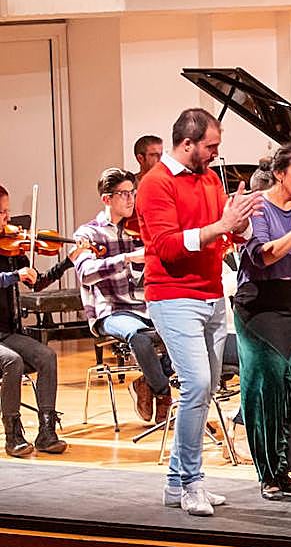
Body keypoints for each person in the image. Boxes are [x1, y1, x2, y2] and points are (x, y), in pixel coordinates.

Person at [137, 108, 261, 516]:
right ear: (186, 143)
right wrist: (222, 223)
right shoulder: (155, 185)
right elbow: (169, 246)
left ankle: (177, 483)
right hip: (174, 296)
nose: (215, 154)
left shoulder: (209, 178)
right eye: (211, 146)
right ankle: (191, 482)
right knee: (195, 385)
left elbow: (222, 234)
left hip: (210, 293)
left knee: (205, 389)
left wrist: (239, 223)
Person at [235, 146, 291, 500]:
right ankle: (268, 473)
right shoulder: (258, 206)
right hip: (260, 304)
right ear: (280, 174)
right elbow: (262, 256)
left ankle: (289, 466)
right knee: (268, 384)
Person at [74, 168, 173, 424]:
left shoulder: (140, 228)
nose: (131, 200)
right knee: (138, 338)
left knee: (185, 330)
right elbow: (85, 273)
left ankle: (147, 381)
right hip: (111, 310)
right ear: (107, 199)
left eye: (133, 193)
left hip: (146, 306)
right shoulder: (88, 234)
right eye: (124, 194)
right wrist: (126, 258)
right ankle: (163, 393)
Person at [0, 184, 66, 458]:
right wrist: (15, 276)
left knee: (46, 356)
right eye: (1, 213)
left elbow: (37, 283)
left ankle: (47, 431)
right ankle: (12, 433)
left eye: (8, 211)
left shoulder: (11, 250)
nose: (8, 219)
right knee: (12, 362)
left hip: (6, 333)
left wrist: (67, 262)